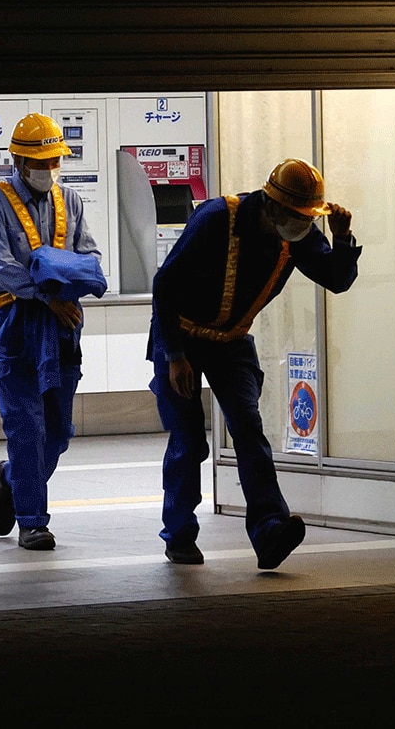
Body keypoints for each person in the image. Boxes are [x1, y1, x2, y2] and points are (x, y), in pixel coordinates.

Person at [148, 157, 360, 569]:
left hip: (231, 343)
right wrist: (174, 357)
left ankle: (269, 531)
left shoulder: (296, 232)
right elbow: (165, 284)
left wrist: (342, 239)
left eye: (309, 218)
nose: (304, 224)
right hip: (180, 338)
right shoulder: (216, 218)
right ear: (271, 206)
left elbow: (336, 280)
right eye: (298, 216)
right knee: (189, 440)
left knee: (248, 428)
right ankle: (179, 533)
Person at [0, 113, 106, 551]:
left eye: (55, 161)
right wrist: (48, 291)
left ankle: (11, 478)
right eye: (40, 162)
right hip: (14, 324)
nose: (49, 169)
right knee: (26, 427)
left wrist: (72, 282)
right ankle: (32, 521)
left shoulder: (70, 199)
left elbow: (88, 255)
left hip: (62, 326)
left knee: (59, 431)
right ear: (17, 160)